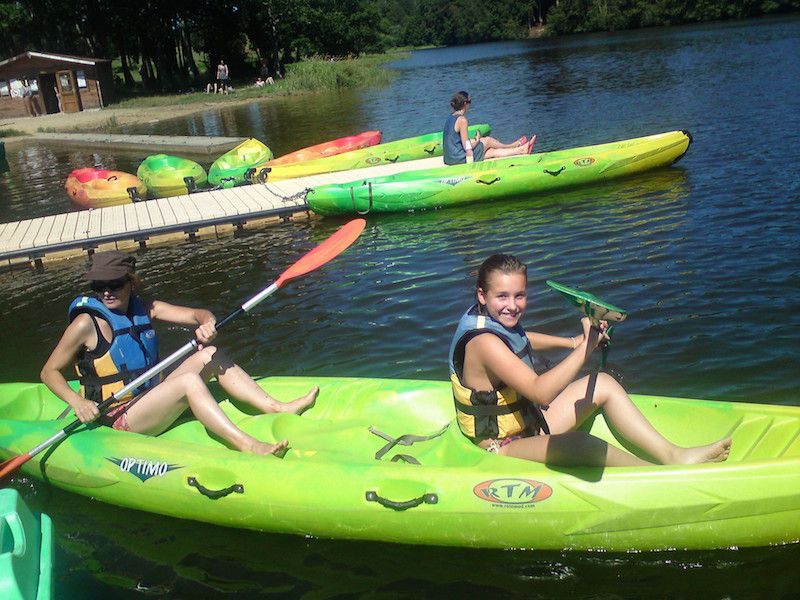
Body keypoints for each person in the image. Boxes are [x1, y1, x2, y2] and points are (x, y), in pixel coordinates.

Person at [448, 253, 732, 467]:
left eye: (519, 295)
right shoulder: (483, 343)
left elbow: (523, 339)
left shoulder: (491, 320)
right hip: (502, 447)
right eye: (502, 296)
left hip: (529, 425)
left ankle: (673, 456)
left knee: (603, 383)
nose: (512, 305)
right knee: (581, 444)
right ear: (482, 295)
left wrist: (573, 341)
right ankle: (656, 475)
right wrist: (587, 347)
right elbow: (540, 392)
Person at [40, 251, 318, 456]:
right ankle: (248, 445)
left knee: (210, 353)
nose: (106, 292)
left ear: (130, 283)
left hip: (148, 396)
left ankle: (277, 407)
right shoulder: (85, 324)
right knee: (188, 382)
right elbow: (48, 372)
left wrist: (207, 323)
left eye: (114, 284)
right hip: (117, 415)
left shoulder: (146, 308)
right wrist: (77, 402)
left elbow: (198, 314)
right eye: (98, 287)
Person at [443, 91, 534, 165]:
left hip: (449, 158)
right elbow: (467, 146)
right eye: (469, 102)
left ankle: (521, 150)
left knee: (491, 152)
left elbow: (457, 141)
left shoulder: (451, 116)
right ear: (465, 103)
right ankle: (513, 145)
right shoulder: (462, 120)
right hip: (459, 158)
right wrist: (477, 141)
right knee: (487, 141)